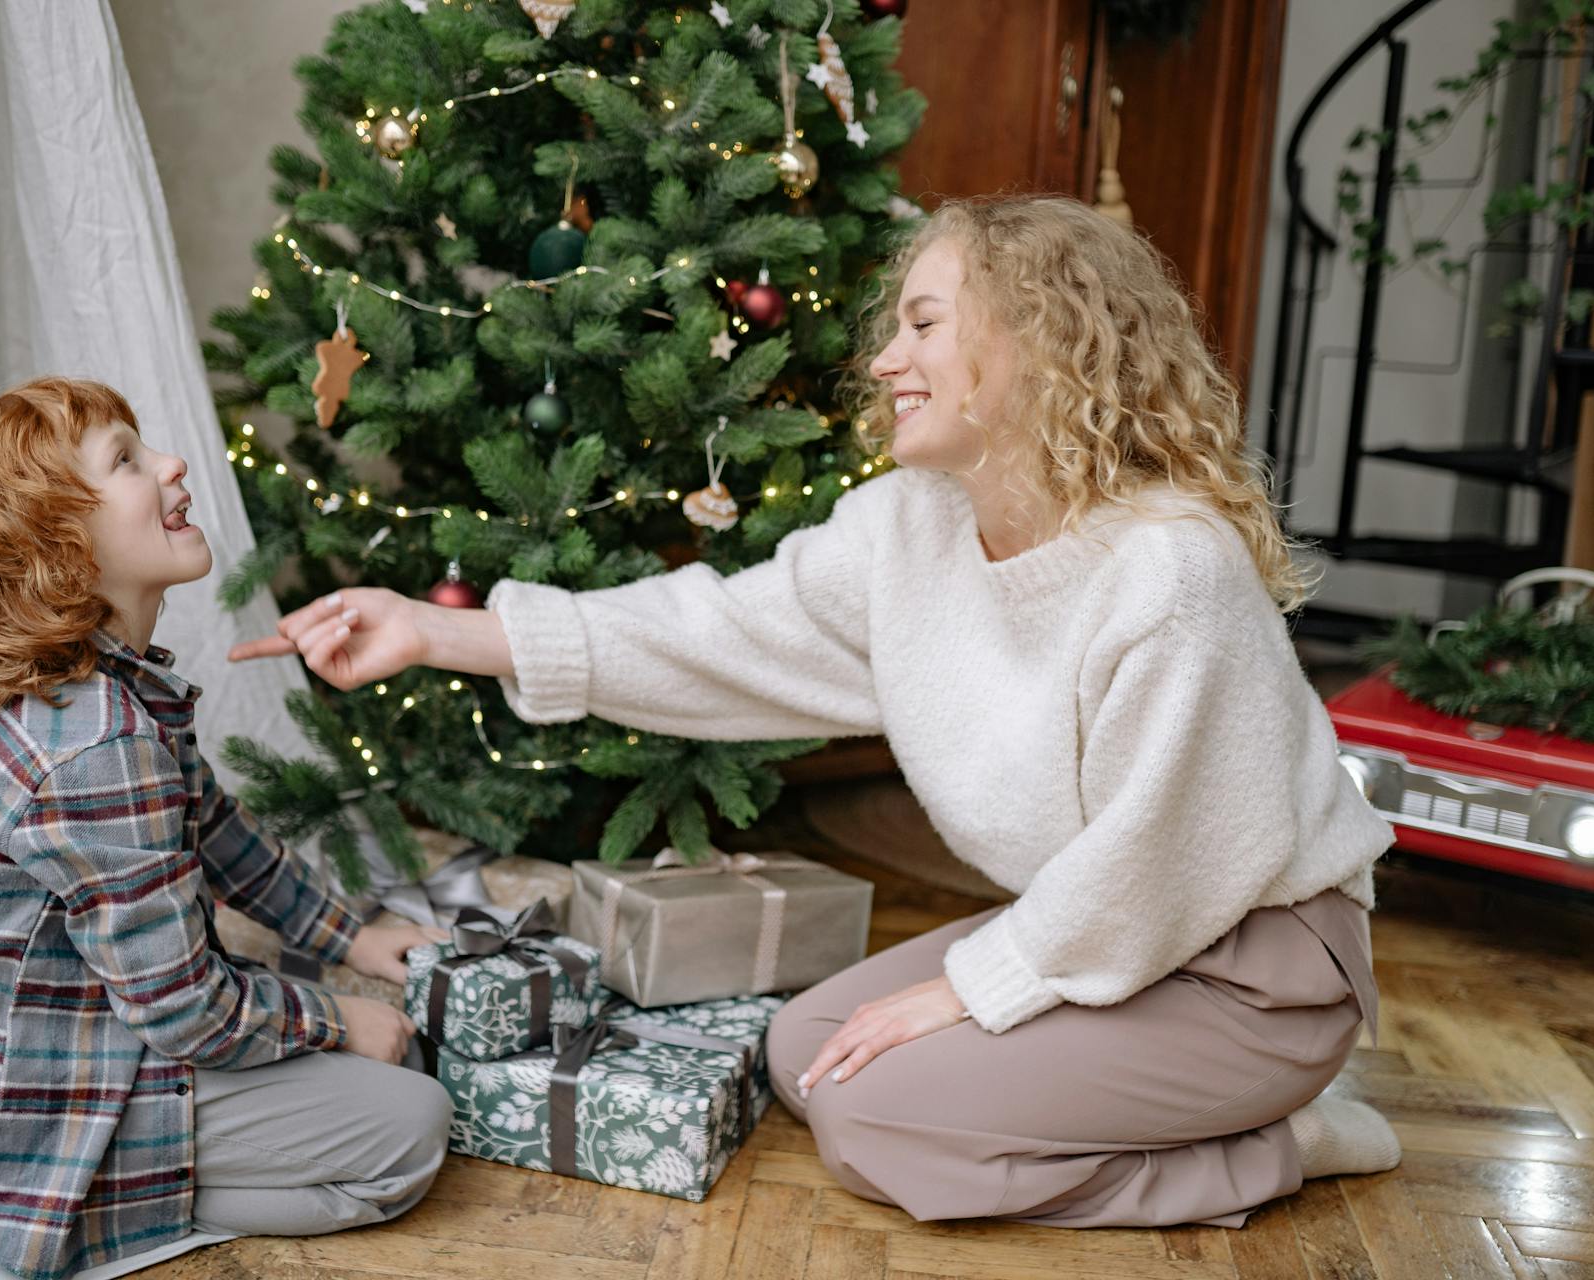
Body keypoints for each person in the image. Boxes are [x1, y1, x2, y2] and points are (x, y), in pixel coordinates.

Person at [233, 195, 1403, 1229]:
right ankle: (1158, 1109)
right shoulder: (913, 528)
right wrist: (439, 630)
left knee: (886, 1124)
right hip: (1101, 934)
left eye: (926, 323)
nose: (888, 356)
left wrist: (968, 987)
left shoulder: (1170, 570)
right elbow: (717, 633)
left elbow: (1161, 861)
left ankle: (1276, 1144)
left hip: (1251, 971)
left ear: (1038, 341)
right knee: (804, 1052)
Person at [0, 378, 452, 1280]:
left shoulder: (93, 687)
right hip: (19, 1110)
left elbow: (212, 824)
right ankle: (20, 1200)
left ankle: (1, 1175)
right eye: (126, 461)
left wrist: (353, 937)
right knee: (410, 1128)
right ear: (52, 544)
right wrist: (339, 1020)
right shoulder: (94, 746)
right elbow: (186, 1012)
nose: (174, 464)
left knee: (333, 1062)